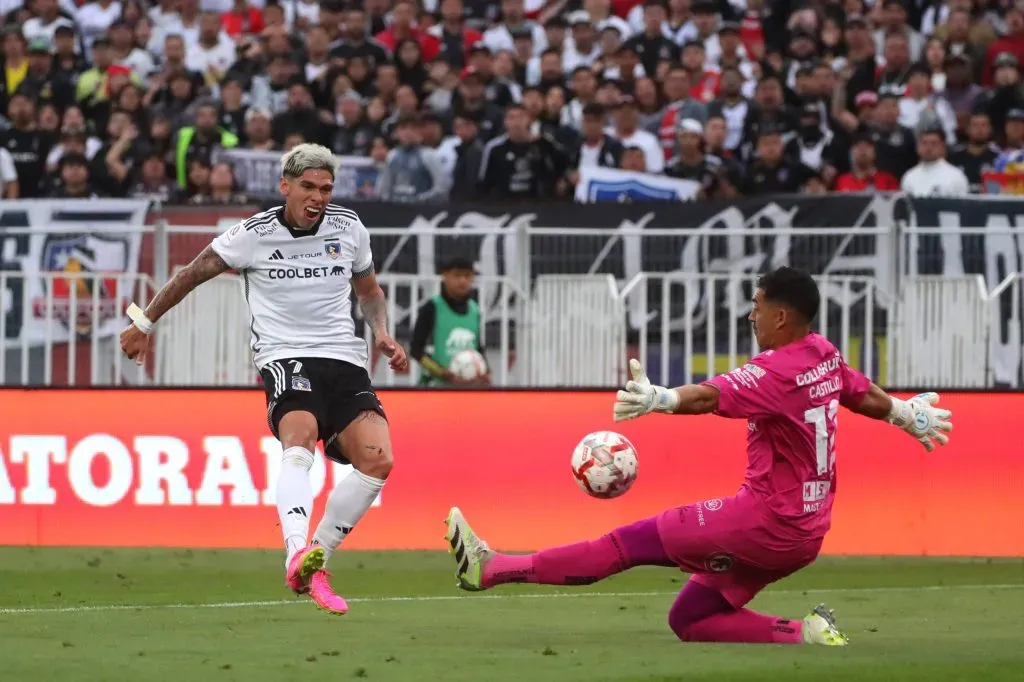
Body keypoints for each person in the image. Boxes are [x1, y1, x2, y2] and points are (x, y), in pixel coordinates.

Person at [444, 267, 953, 646]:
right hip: (806, 534)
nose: (751, 314)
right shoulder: (823, 353)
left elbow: (711, 396)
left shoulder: (776, 369)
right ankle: (808, 634)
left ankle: (492, 568)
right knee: (690, 618)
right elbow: (860, 394)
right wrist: (908, 416)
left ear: (780, 315)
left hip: (762, 521)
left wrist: (661, 399)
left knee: (625, 543)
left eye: (756, 305)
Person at [119, 143, 409, 616]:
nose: (318, 197)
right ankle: (295, 550)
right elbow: (192, 273)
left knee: (379, 460)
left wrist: (380, 333)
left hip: (344, 358)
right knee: (300, 440)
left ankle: (314, 563)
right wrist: (144, 323)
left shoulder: (349, 228)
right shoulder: (251, 235)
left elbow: (370, 292)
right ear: (286, 186)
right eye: (309, 187)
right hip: (285, 356)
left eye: (326, 189)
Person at [410, 256, 489, 387]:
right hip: (435, 388)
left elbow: (478, 348)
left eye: (467, 276)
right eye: (457, 275)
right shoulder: (432, 307)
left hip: (469, 390)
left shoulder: (475, 310)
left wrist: (486, 372)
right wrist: (441, 373)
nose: (463, 281)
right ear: (445, 276)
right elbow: (415, 350)